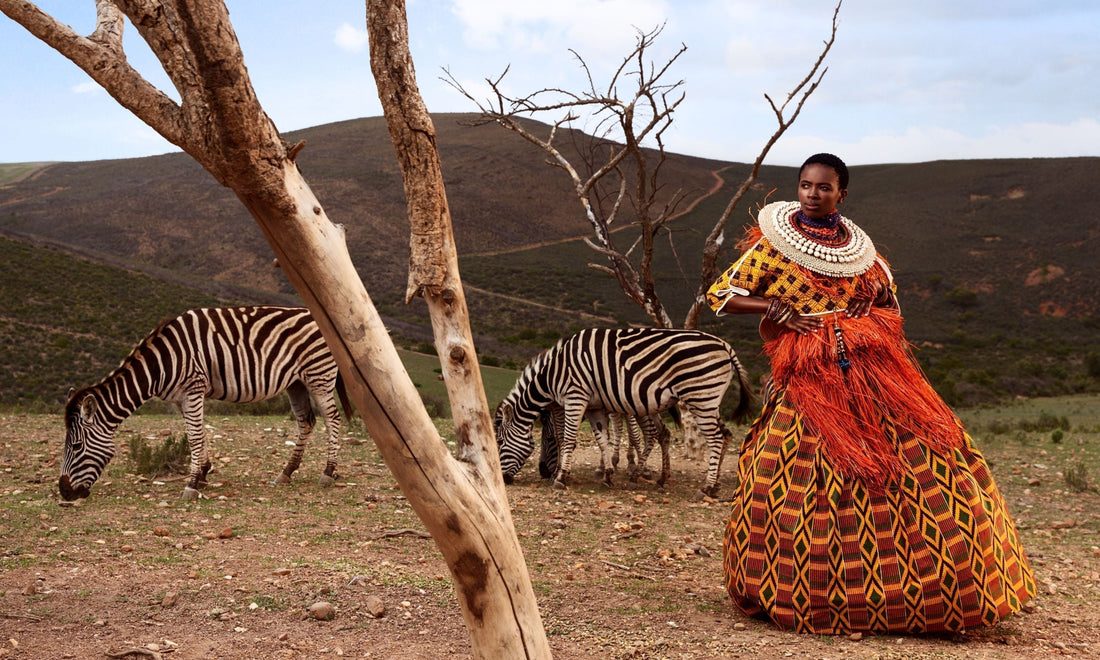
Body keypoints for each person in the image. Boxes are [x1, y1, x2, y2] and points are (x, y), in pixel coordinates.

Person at [706, 153, 1035, 634]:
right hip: (811, 372)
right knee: (791, 470)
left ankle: (938, 588)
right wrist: (773, 307)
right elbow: (722, 294)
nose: (813, 194)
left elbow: (887, 296)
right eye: (806, 185)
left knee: (920, 456)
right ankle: (801, 589)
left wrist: (872, 300)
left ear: (841, 193)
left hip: (874, 371)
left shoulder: (860, 250)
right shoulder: (773, 247)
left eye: (824, 187)